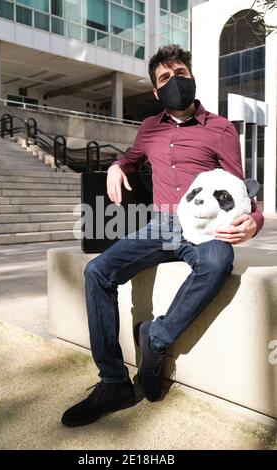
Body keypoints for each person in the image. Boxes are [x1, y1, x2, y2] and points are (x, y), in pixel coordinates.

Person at [61, 44, 264, 427]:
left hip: (204, 228)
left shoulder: (221, 128)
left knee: (219, 261)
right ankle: (113, 383)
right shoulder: (149, 127)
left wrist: (254, 220)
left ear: (193, 77)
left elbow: (241, 190)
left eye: (181, 73)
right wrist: (116, 167)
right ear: (156, 92)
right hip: (159, 225)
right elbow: (133, 157)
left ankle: (155, 339)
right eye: (165, 78)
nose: (175, 82)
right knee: (96, 272)